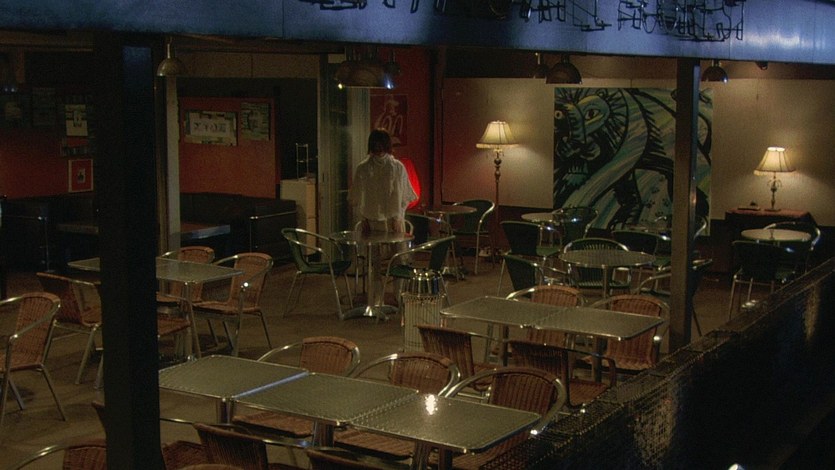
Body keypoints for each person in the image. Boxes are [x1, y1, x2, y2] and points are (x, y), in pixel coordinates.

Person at [350, 128, 417, 234]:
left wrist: (398, 218)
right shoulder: (363, 168)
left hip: (393, 222)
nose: (379, 148)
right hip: (371, 223)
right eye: (376, 145)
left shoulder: (397, 167)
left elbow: (404, 197)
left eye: (381, 145)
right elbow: (357, 197)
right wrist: (363, 219)